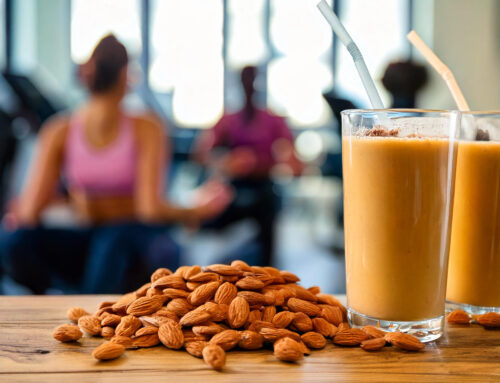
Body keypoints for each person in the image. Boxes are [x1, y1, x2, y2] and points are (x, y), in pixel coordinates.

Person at [1, 35, 231, 294]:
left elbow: (30, 212)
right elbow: (149, 207)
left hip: (132, 239)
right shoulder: (144, 127)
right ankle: (67, 307)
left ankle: (94, 315)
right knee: (14, 241)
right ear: (125, 76)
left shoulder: (60, 130)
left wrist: (91, 206)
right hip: (96, 235)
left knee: (112, 237)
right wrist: (197, 209)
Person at [194, 66, 301, 266]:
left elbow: (294, 161)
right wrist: (226, 161)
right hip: (234, 188)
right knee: (210, 219)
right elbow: (201, 154)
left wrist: (278, 163)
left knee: (267, 217)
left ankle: (267, 269)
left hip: (264, 189)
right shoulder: (229, 119)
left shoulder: (273, 119)